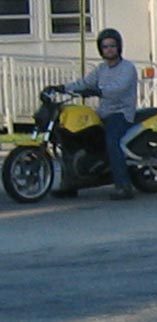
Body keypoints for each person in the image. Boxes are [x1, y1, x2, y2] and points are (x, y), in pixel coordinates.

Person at [52, 28, 138, 200]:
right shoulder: (101, 69)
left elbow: (118, 89)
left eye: (112, 45)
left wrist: (98, 91)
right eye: (105, 46)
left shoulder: (128, 68)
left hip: (121, 113)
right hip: (103, 113)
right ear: (101, 49)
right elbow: (84, 83)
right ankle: (70, 183)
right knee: (71, 139)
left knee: (111, 141)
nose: (109, 49)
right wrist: (62, 88)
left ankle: (124, 186)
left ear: (119, 47)